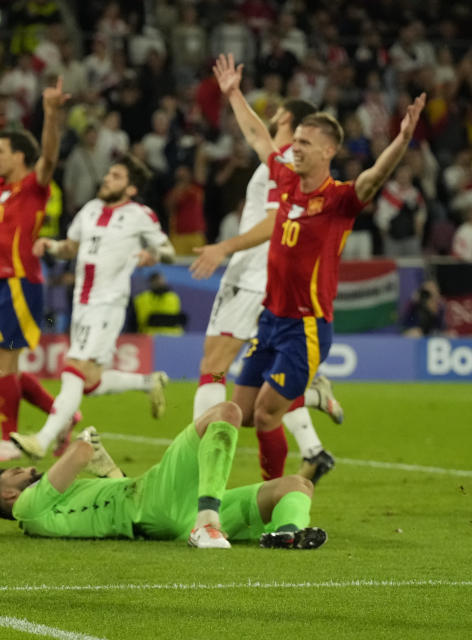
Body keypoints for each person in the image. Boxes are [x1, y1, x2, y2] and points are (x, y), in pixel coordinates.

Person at [190, 53, 426, 481]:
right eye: (294, 140)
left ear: (328, 150)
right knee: (240, 413)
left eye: (302, 143)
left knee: (265, 414)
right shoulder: (285, 180)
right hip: (271, 321)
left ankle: (273, 496)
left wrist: (402, 139)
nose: (292, 148)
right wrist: (234, 94)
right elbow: (258, 137)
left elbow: (373, 177)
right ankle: (306, 421)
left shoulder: (339, 200)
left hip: (307, 326)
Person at [192, 96, 343, 485]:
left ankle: (198, 470)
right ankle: (310, 435)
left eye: (277, 115)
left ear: (288, 118)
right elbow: (255, 133)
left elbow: (275, 224)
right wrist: (233, 93)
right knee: (261, 400)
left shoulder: (282, 167)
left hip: (253, 277)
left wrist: (223, 248)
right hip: (268, 284)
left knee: (214, 368)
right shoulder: (283, 163)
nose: (271, 121)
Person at [0, 401, 327, 550]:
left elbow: (110, 498)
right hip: (152, 501)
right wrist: (74, 438)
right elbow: (80, 453)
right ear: (9, 497)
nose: (29, 468)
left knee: (296, 485)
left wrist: (108, 470)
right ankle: (207, 519)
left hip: (157, 513)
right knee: (226, 412)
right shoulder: (27, 508)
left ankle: (287, 533)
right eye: (17, 472)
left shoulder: (57, 508)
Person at [8, 156, 174, 460]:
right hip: (81, 304)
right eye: (108, 174)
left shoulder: (140, 215)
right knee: (92, 381)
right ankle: (148, 381)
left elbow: (169, 251)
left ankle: (42, 441)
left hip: (108, 304)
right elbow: (69, 247)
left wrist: (153, 254)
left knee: (74, 371)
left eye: (116, 176)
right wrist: (51, 246)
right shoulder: (90, 209)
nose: (107, 179)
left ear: (131, 188)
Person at [0, 76, 71, 462]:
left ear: (21, 157)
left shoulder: (33, 185)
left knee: (3, 362)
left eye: (2, 151)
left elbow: (51, 157)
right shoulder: (1, 186)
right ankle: (65, 418)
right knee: (6, 365)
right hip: (2, 283)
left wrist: (52, 114)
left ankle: (10, 439)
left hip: (23, 283)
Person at [133, 271, 186, 335]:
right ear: (151, 283)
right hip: (150, 335)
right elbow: (144, 320)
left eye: (162, 281)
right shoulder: (141, 298)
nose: (161, 283)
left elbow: (176, 318)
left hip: (174, 335)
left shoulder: (173, 297)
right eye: (158, 281)